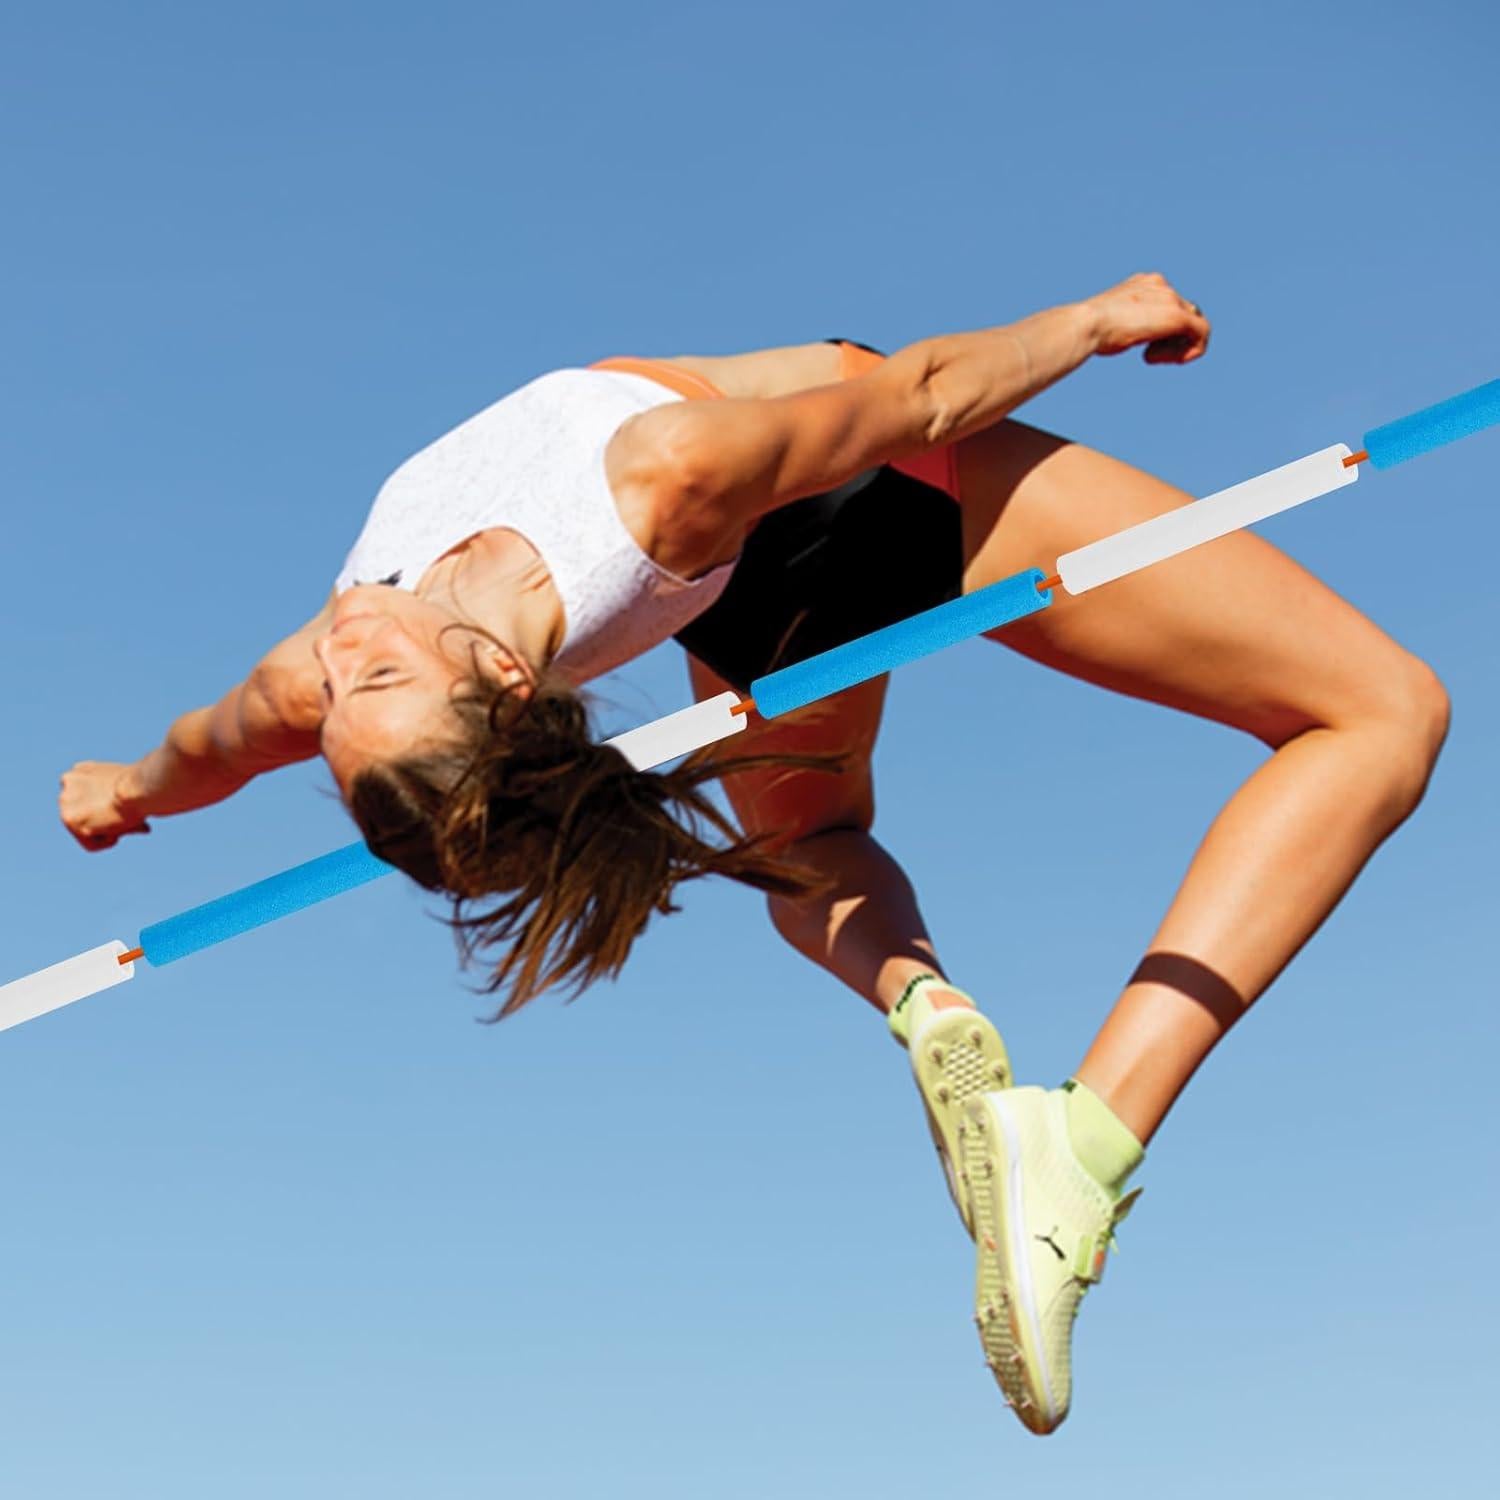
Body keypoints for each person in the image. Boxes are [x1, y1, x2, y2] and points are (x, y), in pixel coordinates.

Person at [58, 272, 1450, 1432]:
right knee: (1382, 710)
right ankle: (1082, 1141)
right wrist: (1101, 318)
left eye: (345, 697)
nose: (341, 658)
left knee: (821, 843)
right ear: (501, 683)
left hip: (764, 606)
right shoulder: (660, 476)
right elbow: (925, 396)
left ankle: (925, 1002)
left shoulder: (322, 665)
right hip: (902, 479)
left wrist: (126, 788)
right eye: (369, 690)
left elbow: (209, 746)